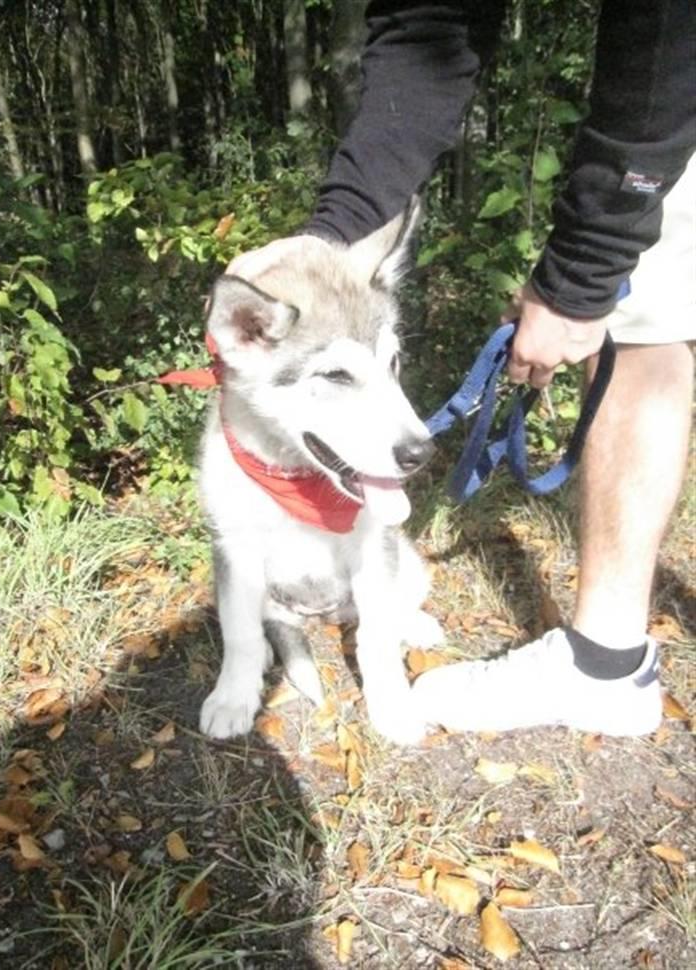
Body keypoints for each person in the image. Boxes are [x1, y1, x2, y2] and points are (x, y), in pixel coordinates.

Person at [228, 1, 696, 737]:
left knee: (641, 323)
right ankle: (610, 665)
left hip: (671, 95)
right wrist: (333, 238)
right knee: (645, 325)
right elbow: (427, 34)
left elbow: (668, 38)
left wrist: (584, 273)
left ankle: (605, 663)